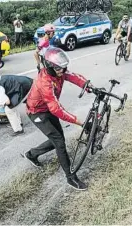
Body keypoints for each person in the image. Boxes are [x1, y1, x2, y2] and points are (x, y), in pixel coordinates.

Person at [24, 47, 94, 191]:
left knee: (58, 138)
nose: (62, 70)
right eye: (58, 68)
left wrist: (89, 86)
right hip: (37, 113)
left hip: (47, 110)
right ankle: (70, 177)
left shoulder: (59, 71)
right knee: (59, 142)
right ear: (49, 66)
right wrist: (81, 122)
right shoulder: (45, 81)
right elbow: (56, 109)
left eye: (63, 67)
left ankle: (31, 154)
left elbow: (74, 76)